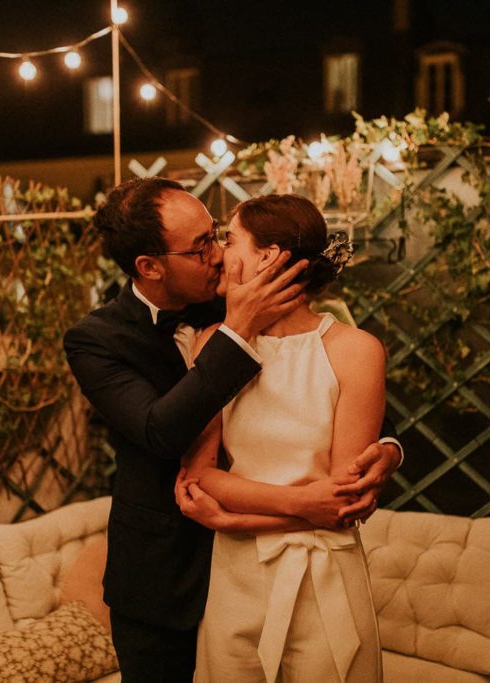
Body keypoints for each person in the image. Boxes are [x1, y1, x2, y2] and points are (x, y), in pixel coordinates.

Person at [63, 177, 401, 682]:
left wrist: (389, 448)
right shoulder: (97, 339)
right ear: (150, 267)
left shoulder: (240, 295)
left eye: (217, 234)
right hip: (166, 575)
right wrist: (236, 330)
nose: (218, 256)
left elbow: (330, 384)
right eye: (201, 248)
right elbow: (160, 431)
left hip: (265, 554)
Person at [176, 194, 386, 682]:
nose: (216, 254)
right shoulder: (212, 345)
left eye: (228, 240)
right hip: (236, 580)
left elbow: (339, 504)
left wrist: (230, 520)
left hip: (324, 578)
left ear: (267, 257)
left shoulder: (356, 351)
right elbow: (202, 474)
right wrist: (301, 506)